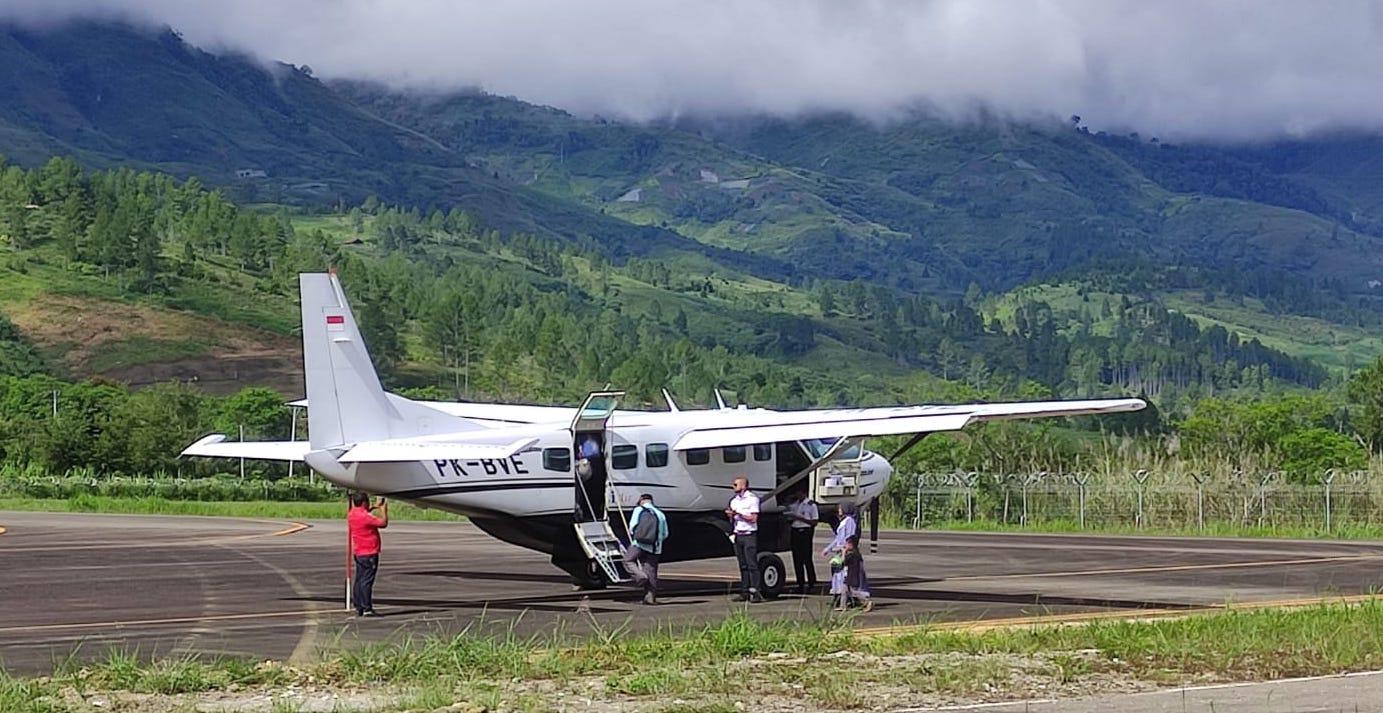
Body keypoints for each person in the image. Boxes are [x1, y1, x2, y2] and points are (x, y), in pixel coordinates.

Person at [348, 492, 388, 617]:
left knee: (359, 579)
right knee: (367, 581)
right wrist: (383, 511)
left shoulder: (352, 514)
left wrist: (374, 507)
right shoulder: (366, 517)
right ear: (365, 502)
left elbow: (364, 513)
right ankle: (367, 608)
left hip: (359, 551)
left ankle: (358, 605)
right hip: (369, 551)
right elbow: (383, 523)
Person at [626, 493, 669, 605]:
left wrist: (636, 535)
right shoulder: (660, 513)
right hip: (656, 546)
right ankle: (650, 598)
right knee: (651, 571)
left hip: (639, 543)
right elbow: (665, 533)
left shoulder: (639, 509)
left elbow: (632, 526)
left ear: (641, 500)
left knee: (628, 560)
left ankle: (641, 577)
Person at [725, 476, 763, 603]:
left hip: (749, 534)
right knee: (743, 565)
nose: (733, 487)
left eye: (736, 484)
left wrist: (739, 515)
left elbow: (753, 518)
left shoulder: (752, 499)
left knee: (752, 564)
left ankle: (756, 591)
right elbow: (732, 518)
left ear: (744, 486)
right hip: (738, 534)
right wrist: (731, 516)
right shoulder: (734, 501)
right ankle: (744, 591)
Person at [822, 501, 859, 609]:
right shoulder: (843, 521)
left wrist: (845, 549)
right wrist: (828, 549)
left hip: (843, 551)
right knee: (836, 573)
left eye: (840, 508)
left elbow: (849, 537)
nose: (839, 510)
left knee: (842, 575)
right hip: (838, 550)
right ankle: (837, 597)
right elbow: (837, 538)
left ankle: (845, 599)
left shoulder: (850, 521)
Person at [785, 489, 819, 594]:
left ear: (804, 493)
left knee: (807, 559)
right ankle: (800, 584)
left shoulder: (811, 505)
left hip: (805, 531)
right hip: (795, 531)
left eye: (799, 492)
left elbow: (815, 521)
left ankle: (812, 583)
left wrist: (800, 518)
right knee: (797, 559)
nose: (797, 494)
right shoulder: (795, 504)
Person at [840, 535, 873, 612]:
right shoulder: (856, 554)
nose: (846, 545)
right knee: (844, 590)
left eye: (847, 544)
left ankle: (867, 601)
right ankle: (843, 606)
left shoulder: (852, 555)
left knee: (853, 592)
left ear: (851, 545)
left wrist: (844, 553)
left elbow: (843, 562)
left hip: (852, 576)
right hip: (850, 575)